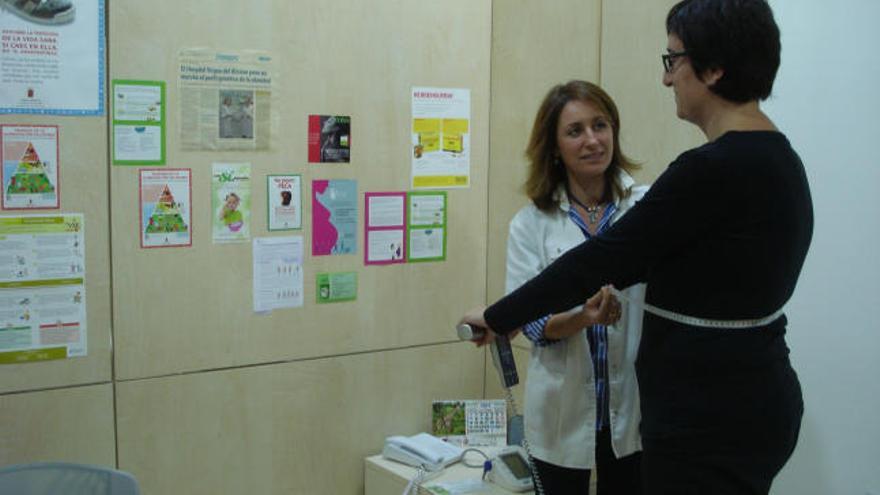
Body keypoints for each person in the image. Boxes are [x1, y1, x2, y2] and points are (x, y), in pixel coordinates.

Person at [460, 1, 813, 494]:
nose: (667, 79)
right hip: (754, 401)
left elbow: (602, 259)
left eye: (673, 61)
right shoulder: (783, 159)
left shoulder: (706, 171)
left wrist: (497, 317)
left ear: (712, 68)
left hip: (705, 421)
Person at [505, 80, 646, 495]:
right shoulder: (531, 224)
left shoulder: (644, 207)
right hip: (561, 415)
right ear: (554, 146)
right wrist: (584, 317)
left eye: (600, 125)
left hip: (631, 412)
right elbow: (529, 323)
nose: (592, 140)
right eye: (575, 131)